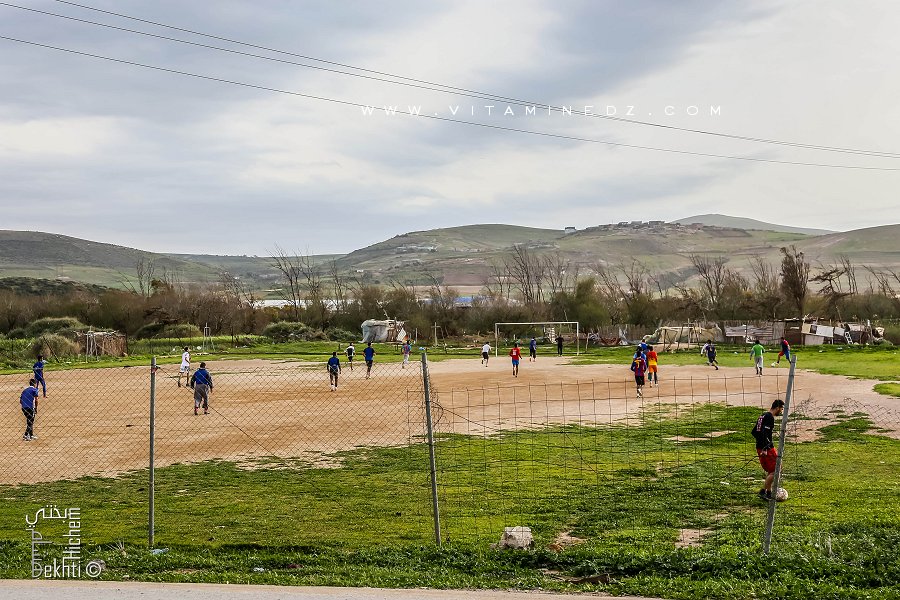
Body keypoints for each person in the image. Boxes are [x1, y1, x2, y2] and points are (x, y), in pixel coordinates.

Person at [752, 399, 785, 500]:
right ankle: (764, 492)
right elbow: (763, 433)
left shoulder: (763, 416)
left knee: (772, 470)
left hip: (760, 446)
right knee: (776, 469)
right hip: (766, 448)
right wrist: (765, 447)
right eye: (781, 409)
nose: (781, 411)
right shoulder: (770, 417)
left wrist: (760, 445)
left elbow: (754, 432)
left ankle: (768, 492)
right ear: (777, 407)